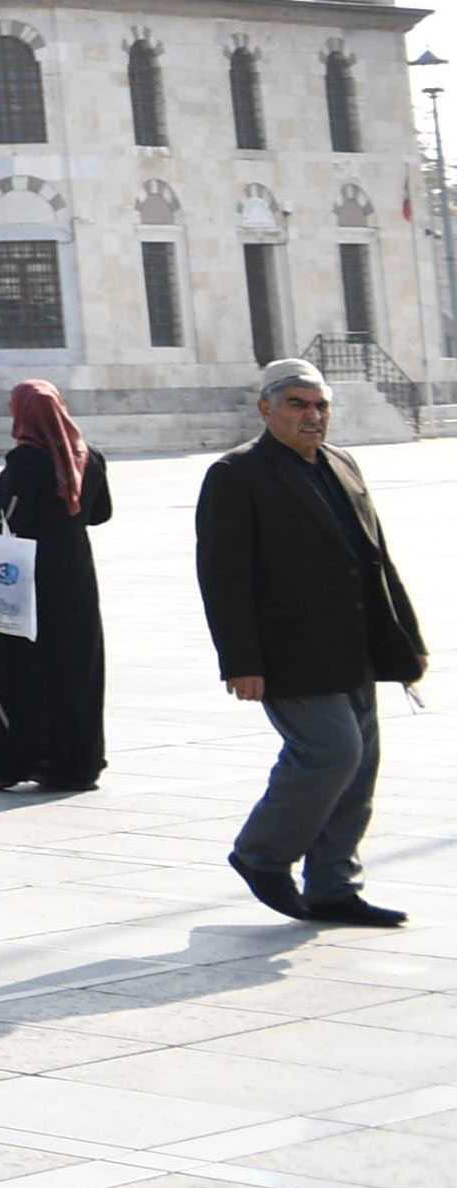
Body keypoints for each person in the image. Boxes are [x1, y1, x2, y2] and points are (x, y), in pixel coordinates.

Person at [197, 362, 426, 927]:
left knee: (361, 764)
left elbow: (377, 558)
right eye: (298, 405)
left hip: (355, 646)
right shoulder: (237, 474)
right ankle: (262, 853)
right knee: (331, 752)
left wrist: (407, 638)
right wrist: (241, 661)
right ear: (266, 409)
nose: (312, 416)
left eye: (320, 406)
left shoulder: (342, 464)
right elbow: (223, 577)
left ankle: (332, 885)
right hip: (289, 653)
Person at [0, 375, 116, 794]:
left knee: (12, 664)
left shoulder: (26, 461)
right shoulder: (91, 458)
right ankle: (75, 763)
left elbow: (9, 515)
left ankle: (13, 761)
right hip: (75, 576)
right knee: (74, 666)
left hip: (27, 578)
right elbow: (100, 513)